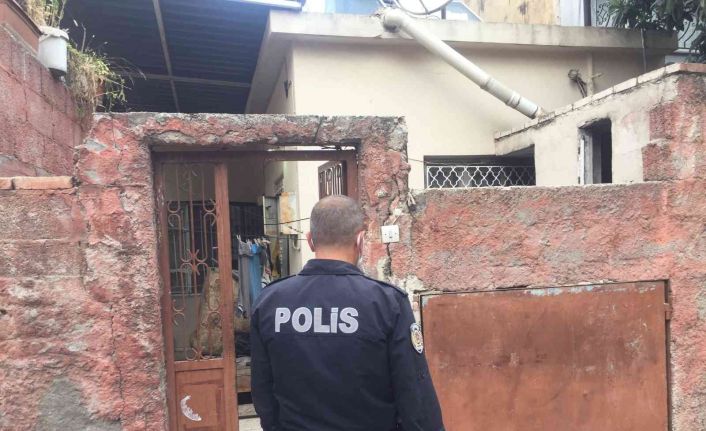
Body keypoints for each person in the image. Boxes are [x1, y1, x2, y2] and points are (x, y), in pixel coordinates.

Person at [250, 195, 445, 431]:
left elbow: (262, 391)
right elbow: (415, 397)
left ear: (310, 240)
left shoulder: (269, 302)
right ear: (360, 240)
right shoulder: (387, 303)